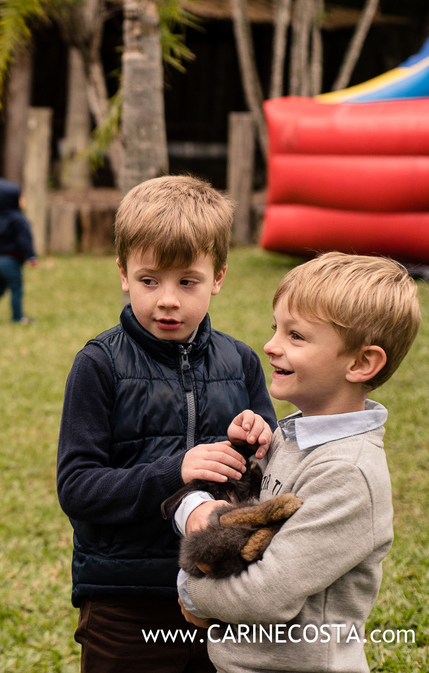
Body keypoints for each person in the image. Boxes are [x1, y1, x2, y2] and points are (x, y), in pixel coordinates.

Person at [55, 175, 277, 673]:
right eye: (150, 280)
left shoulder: (241, 362)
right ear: (123, 273)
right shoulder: (99, 364)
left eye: (187, 281)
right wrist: (174, 471)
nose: (168, 299)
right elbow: (77, 488)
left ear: (218, 276)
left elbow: (266, 479)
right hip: (126, 603)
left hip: (223, 596)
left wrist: (257, 439)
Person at [175, 253, 421, 673]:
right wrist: (242, 456)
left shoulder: (348, 473)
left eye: (296, 336)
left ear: (361, 363)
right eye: (276, 329)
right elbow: (250, 522)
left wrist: (191, 593)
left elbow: (267, 595)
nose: (271, 346)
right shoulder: (291, 437)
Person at [0, 178, 37, 324]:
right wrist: (31, 256)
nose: (23, 200)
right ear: (11, 200)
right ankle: (18, 317)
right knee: (16, 289)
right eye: (20, 197)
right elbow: (24, 240)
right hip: (11, 261)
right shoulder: (18, 220)